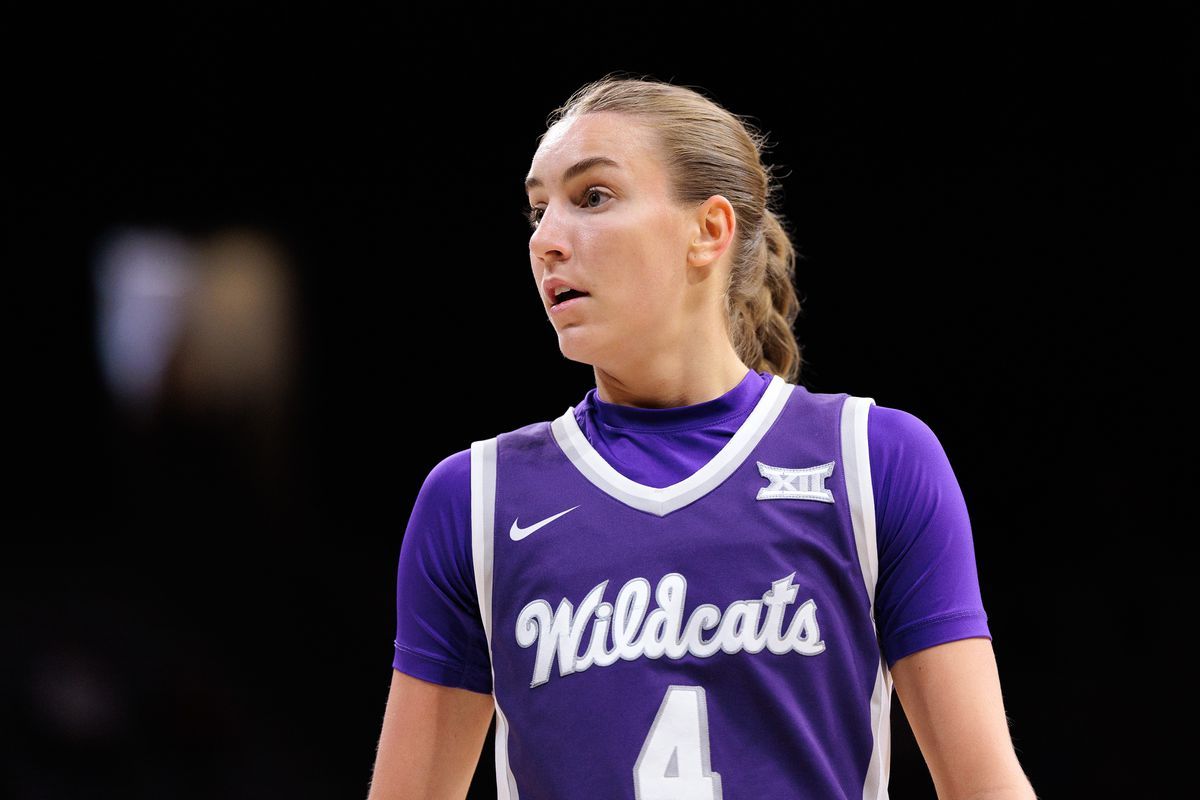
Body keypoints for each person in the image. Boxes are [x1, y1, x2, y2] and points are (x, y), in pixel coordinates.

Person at [367, 74, 1037, 800]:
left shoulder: (873, 460)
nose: (547, 241)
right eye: (537, 211)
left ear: (709, 230)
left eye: (592, 197)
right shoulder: (474, 498)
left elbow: (986, 787)